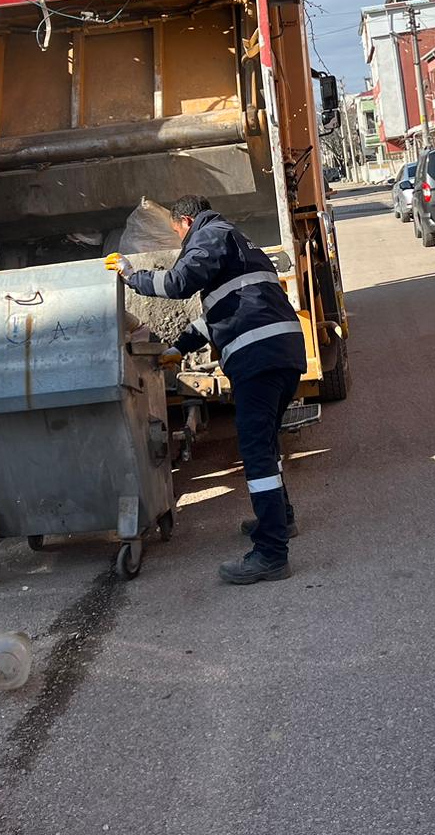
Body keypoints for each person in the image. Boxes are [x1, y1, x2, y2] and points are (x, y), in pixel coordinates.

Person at [107, 196, 306, 584]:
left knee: (255, 452)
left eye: (177, 232)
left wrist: (132, 275)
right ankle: (281, 519)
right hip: (283, 353)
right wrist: (178, 349)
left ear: (186, 221)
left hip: (257, 358)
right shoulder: (240, 243)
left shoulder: (209, 234)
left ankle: (271, 553)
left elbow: (178, 282)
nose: (180, 241)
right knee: (266, 443)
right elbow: (217, 314)